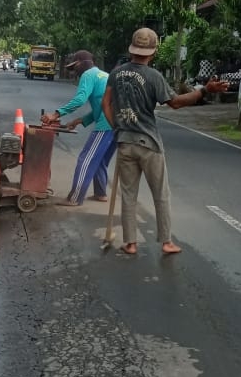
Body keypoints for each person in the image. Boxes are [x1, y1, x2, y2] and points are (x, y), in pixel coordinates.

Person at [102, 27, 228, 255]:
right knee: (160, 194)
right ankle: (166, 242)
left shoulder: (116, 73)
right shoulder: (154, 76)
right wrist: (203, 90)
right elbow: (176, 103)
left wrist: (117, 128)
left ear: (132, 48)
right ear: (152, 51)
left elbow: (106, 104)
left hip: (124, 141)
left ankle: (130, 243)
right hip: (148, 143)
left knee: (128, 194)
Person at [42, 50, 116, 206]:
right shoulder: (104, 75)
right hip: (118, 124)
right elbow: (102, 105)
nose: (74, 71)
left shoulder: (88, 75)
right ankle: (100, 193)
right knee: (100, 160)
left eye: (75, 66)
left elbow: (80, 99)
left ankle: (75, 198)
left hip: (106, 124)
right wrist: (81, 120)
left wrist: (56, 114)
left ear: (82, 63)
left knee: (86, 160)